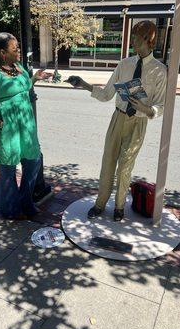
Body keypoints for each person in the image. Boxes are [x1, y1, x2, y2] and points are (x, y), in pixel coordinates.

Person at [67, 20, 167, 221]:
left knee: (125, 167)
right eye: (133, 40)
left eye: (138, 40)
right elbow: (106, 94)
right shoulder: (125, 64)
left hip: (138, 122)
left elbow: (161, 106)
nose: (134, 45)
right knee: (108, 163)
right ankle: (100, 204)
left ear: (150, 41)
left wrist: (147, 109)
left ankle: (119, 207)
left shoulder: (159, 70)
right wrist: (84, 84)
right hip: (118, 118)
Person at [0, 32, 52, 220]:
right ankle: (10, 210)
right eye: (15, 49)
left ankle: (25, 202)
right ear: (2, 52)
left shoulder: (19, 67)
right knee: (8, 171)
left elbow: (23, 87)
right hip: (6, 129)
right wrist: (0, 123)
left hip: (27, 127)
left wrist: (35, 78)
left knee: (33, 162)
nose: (19, 52)